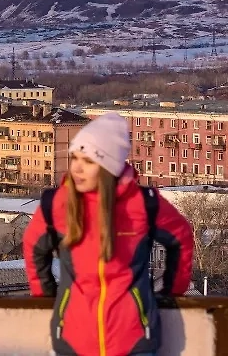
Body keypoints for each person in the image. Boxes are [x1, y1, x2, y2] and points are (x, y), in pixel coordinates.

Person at [24, 112, 195, 356]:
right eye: (74, 157)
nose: (77, 167)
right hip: (74, 341)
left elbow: (181, 238)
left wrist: (172, 291)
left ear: (108, 167)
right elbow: (34, 246)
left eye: (89, 161)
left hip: (134, 340)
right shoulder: (58, 203)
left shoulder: (143, 203)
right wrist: (47, 296)